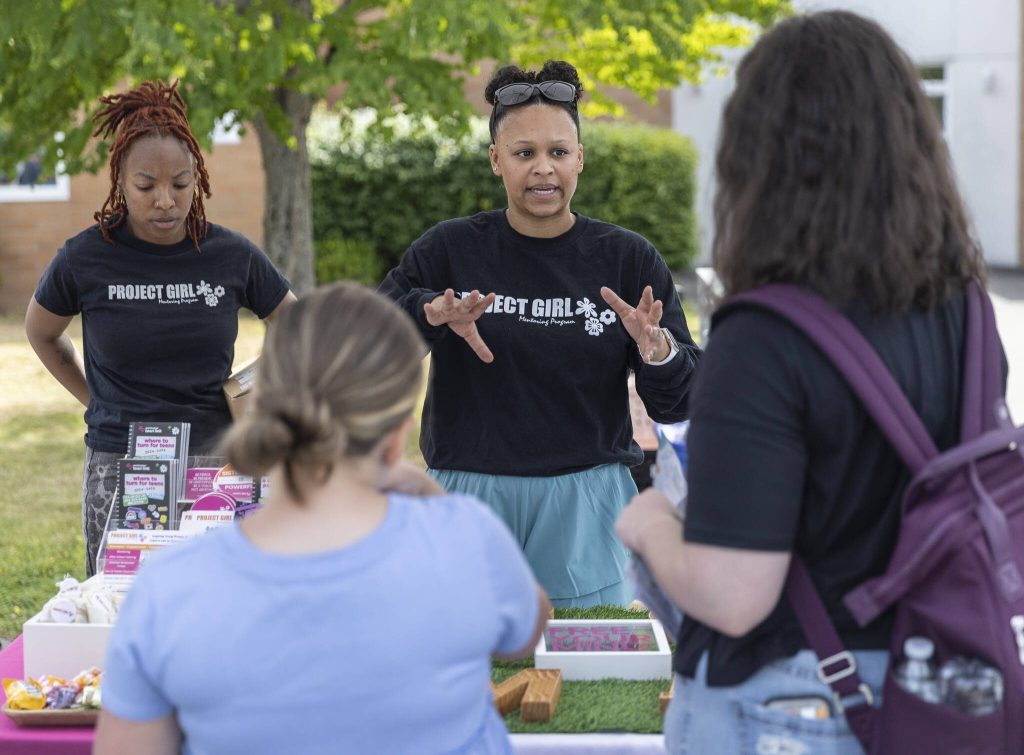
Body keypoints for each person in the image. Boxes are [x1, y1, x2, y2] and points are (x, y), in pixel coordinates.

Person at [614, 11, 997, 754]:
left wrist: (653, 523)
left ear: (757, 156)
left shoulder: (763, 338)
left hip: (790, 704)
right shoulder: (965, 311)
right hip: (931, 688)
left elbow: (732, 595)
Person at [94, 282, 550, 755]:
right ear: (396, 436)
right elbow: (527, 631)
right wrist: (435, 500)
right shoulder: (464, 537)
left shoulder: (167, 588)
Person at [379, 60, 701, 608]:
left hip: (587, 499)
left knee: (589, 672)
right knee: (467, 659)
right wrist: (429, 312)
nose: (543, 169)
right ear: (495, 161)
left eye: (558, 152)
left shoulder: (627, 259)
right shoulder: (449, 249)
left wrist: (660, 352)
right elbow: (371, 338)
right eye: (524, 153)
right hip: (469, 491)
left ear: (580, 157)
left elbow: (679, 402)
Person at [24, 80, 296, 577]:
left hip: (215, 464)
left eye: (181, 183)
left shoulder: (229, 254)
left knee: (214, 606)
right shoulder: (84, 258)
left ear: (198, 178)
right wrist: (96, 399)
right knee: (122, 610)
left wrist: (253, 389)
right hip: (120, 463)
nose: (167, 201)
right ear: (120, 183)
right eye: (147, 186)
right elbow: (41, 332)